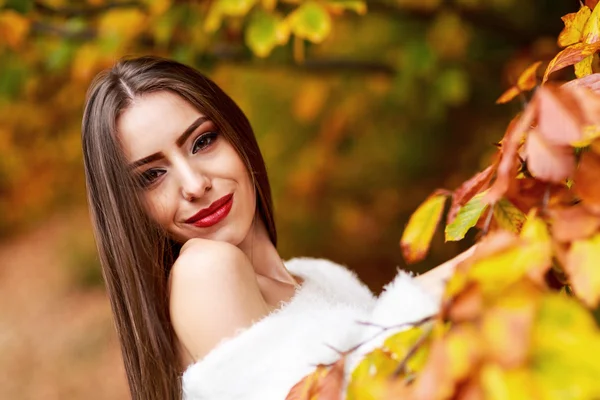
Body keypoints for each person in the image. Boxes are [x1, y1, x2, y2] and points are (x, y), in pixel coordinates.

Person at [81, 56, 468, 400]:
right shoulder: (204, 270)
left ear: (237, 135)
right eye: (151, 176)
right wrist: (473, 267)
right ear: (130, 208)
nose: (194, 185)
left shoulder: (320, 277)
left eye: (203, 141)